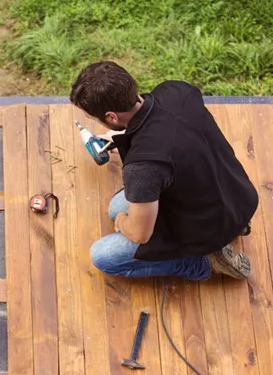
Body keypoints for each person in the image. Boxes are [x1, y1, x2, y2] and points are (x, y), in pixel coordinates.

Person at [70, 61, 258, 281]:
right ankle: (234, 227)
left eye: (96, 118)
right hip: (239, 198)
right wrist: (120, 137)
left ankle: (202, 263)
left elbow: (141, 234)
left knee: (103, 255)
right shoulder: (176, 91)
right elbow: (167, 129)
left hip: (206, 227)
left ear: (111, 116)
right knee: (116, 207)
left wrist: (122, 221)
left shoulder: (142, 166)